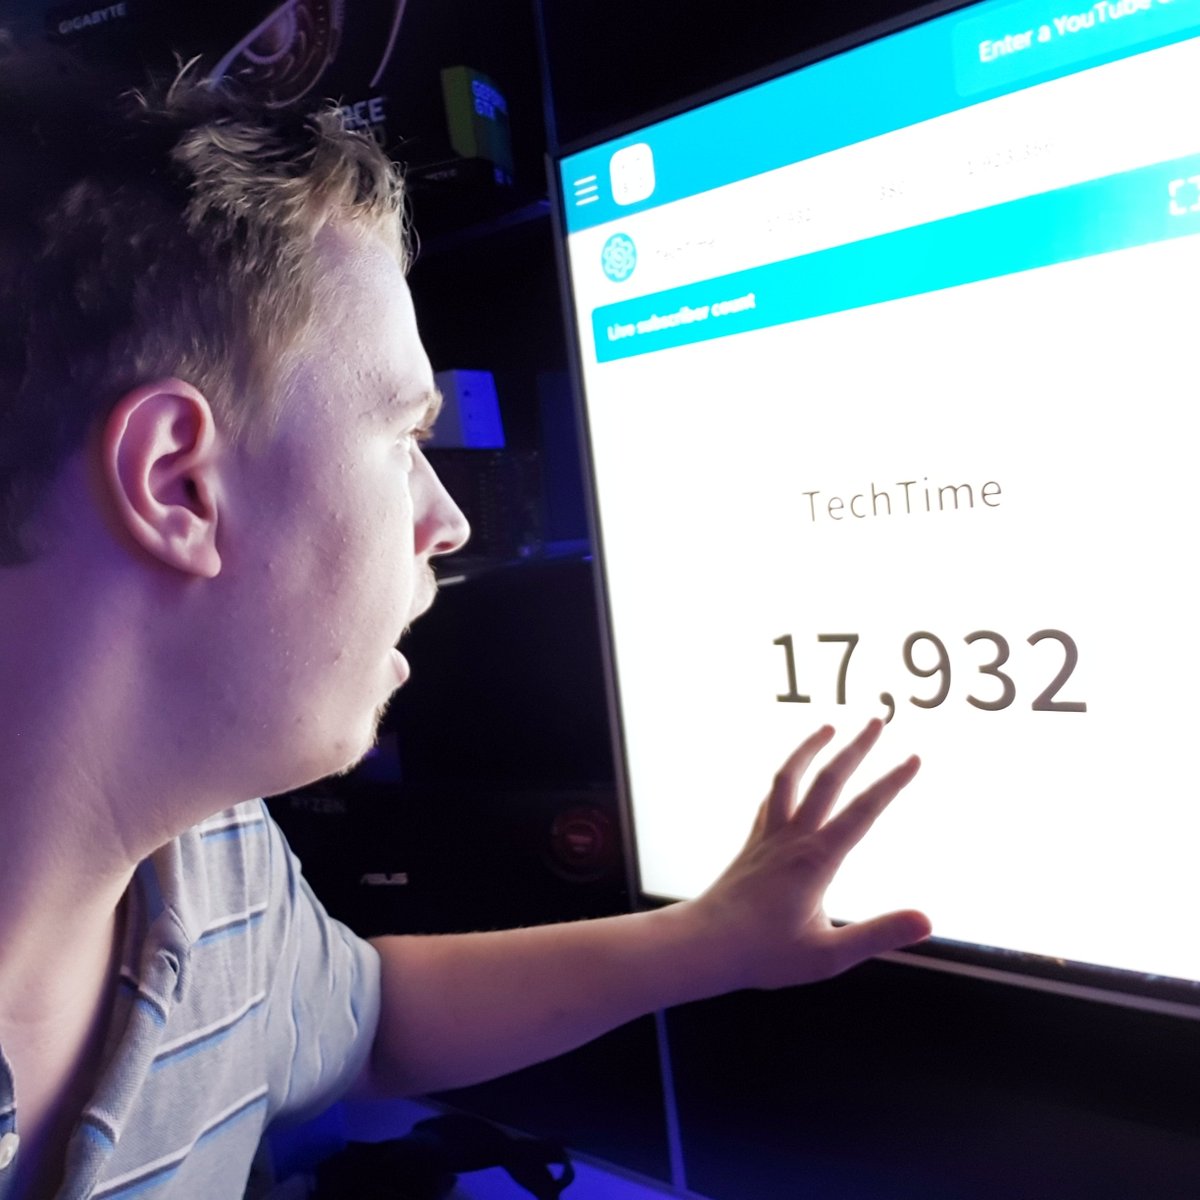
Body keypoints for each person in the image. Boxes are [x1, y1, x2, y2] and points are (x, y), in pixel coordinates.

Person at [0, 40, 933, 1200]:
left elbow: (369, 1022)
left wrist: (718, 937)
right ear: (178, 484)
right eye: (404, 436)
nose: (447, 521)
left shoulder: (212, 863)